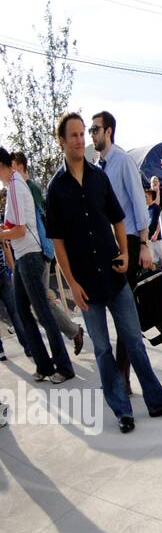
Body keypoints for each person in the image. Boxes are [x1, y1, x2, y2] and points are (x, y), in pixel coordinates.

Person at [45, 113, 162, 433]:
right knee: (104, 350)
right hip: (86, 286)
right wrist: (71, 285)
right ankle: (122, 411)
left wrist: (125, 250)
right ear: (62, 141)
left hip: (113, 275)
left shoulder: (99, 177)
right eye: (75, 135)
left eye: (84, 133)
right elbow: (58, 244)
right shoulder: (56, 188)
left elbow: (118, 217)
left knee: (134, 340)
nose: (81, 139)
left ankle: (157, 401)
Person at [91, 111, 162, 378]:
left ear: (108, 132)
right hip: (112, 245)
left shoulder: (123, 161)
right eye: (90, 130)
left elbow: (139, 205)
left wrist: (143, 245)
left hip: (128, 241)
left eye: (95, 129)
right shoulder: (98, 166)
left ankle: (121, 378)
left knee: (125, 312)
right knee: (134, 309)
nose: (91, 134)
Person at [0, 146, 77, 383]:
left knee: (41, 312)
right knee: (24, 314)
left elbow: (20, 229)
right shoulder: (14, 184)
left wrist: (1, 234)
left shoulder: (14, 185)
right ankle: (44, 365)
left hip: (30, 256)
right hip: (25, 256)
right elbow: (14, 227)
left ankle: (63, 366)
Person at [10, 152, 85, 355]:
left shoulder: (28, 188)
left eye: (13, 165)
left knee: (42, 303)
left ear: (19, 165)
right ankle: (72, 331)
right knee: (41, 301)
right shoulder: (22, 187)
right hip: (38, 249)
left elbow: (41, 218)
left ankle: (73, 332)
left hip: (40, 249)